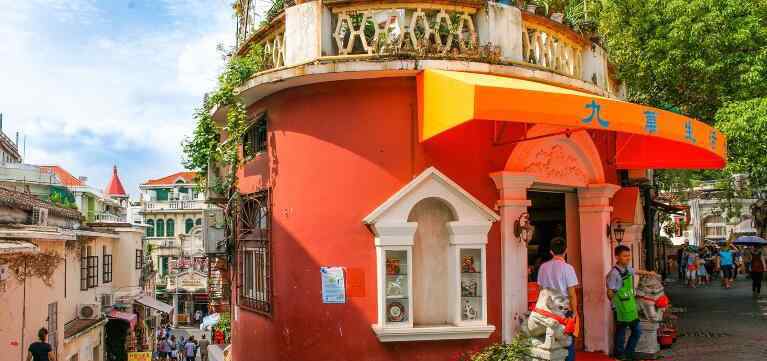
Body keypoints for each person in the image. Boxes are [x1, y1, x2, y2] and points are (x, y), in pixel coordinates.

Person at [607, 245, 654, 361]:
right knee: (621, 333)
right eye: (624, 256)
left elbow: (636, 271)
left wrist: (649, 273)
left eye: (628, 256)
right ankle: (620, 354)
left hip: (630, 306)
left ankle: (629, 352)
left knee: (637, 331)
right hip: (621, 308)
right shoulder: (614, 273)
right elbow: (609, 292)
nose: (628, 258)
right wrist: (615, 305)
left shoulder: (627, 269)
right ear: (617, 257)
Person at [536, 237, 579, 361]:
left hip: (548, 310)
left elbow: (541, 291)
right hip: (564, 311)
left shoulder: (543, 267)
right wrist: (575, 312)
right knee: (568, 342)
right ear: (566, 250)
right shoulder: (568, 268)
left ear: (551, 251)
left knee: (550, 343)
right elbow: (572, 294)